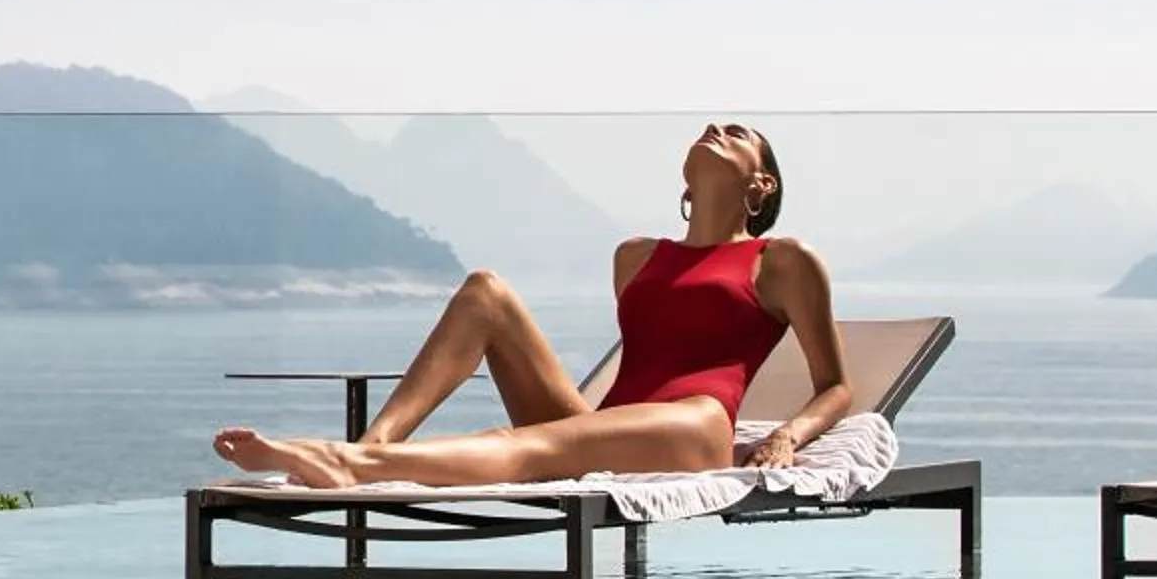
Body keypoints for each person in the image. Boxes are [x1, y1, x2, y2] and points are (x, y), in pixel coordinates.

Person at [212, 122, 849, 490]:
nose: (714, 129)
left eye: (735, 134)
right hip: (609, 422)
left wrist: (788, 435)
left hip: (695, 426)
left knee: (522, 445)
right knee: (484, 291)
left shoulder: (783, 261)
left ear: (760, 185)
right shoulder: (635, 257)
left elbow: (836, 388)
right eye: (710, 126)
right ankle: (370, 448)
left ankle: (351, 466)